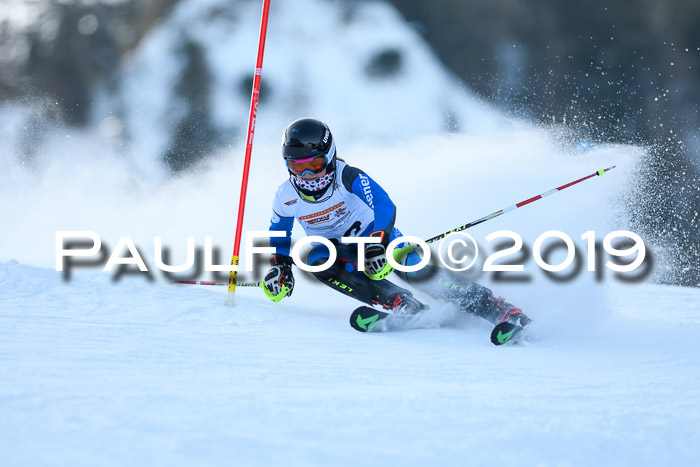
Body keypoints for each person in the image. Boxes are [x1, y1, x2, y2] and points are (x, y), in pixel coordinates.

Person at [261, 117, 529, 328]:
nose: (307, 174)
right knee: (314, 257)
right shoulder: (284, 196)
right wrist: (281, 267)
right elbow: (279, 236)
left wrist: (377, 241)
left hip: (376, 237)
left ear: (330, 157)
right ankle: (400, 303)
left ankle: (496, 308)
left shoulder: (348, 176)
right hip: (336, 250)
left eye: (316, 164)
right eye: (298, 167)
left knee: (409, 264)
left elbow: (383, 204)